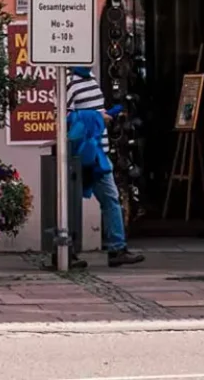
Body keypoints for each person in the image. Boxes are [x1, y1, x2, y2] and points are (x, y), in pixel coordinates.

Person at [66, 66, 143, 267]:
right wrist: (98, 117)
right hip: (82, 151)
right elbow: (65, 117)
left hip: (98, 151)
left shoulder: (90, 78)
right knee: (71, 202)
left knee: (110, 198)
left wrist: (105, 114)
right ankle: (67, 252)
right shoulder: (69, 82)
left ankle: (117, 247)